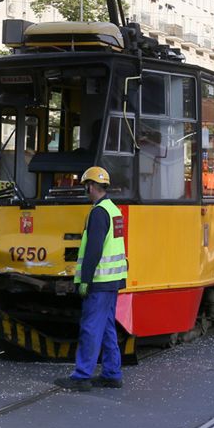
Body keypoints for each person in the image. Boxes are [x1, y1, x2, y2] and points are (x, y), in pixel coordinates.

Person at [55, 167, 128, 391]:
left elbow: (94, 250)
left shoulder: (98, 213)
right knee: (106, 327)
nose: (85, 190)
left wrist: (85, 280)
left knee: (90, 327)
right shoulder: (113, 209)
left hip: (99, 281)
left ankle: (82, 376)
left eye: (85, 186)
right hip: (113, 280)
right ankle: (112, 373)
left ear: (90, 186)